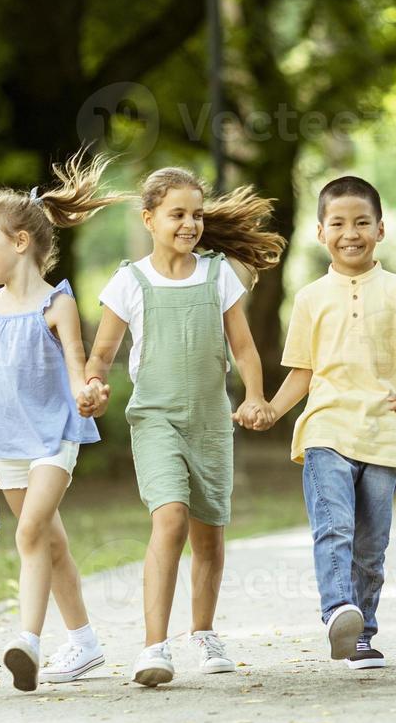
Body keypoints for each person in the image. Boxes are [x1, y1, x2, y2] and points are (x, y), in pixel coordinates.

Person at [0, 152, 126, 692]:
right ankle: (84, 643)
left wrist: (92, 394)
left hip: (55, 436)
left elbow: (81, 374)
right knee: (49, 542)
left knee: (31, 530)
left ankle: (27, 643)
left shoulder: (57, 305)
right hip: (7, 441)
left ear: (20, 242)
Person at [79, 167, 284, 687]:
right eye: (178, 214)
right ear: (150, 219)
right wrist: (94, 385)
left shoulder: (218, 275)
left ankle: (204, 632)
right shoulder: (129, 280)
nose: (190, 223)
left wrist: (257, 397)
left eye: (196, 214)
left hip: (212, 422)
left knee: (210, 534)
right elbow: (101, 354)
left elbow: (242, 348)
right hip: (155, 419)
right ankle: (154, 647)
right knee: (169, 518)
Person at [253, 176, 396, 669]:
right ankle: (339, 609)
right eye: (337, 223)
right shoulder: (311, 298)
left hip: (384, 434)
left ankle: (362, 634)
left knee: (371, 544)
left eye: (362, 222)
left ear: (381, 229)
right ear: (320, 233)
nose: (350, 233)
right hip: (325, 429)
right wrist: (274, 409)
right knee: (333, 525)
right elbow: (302, 371)